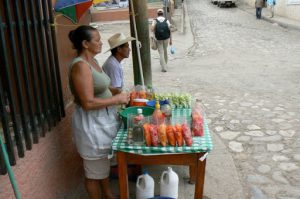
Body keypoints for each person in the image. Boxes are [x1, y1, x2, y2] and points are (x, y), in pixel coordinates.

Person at [68, 25, 130, 199]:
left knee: (102, 164)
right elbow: (87, 102)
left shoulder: (93, 61)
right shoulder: (80, 66)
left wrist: (115, 91)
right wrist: (116, 99)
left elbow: (101, 84)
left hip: (102, 120)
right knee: (93, 171)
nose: (101, 43)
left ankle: (108, 194)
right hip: (91, 124)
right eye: (97, 40)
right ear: (85, 43)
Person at [151, 8, 172, 73]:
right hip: (166, 38)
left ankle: (164, 67)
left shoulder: (155, 21)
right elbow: (170, 30)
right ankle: (165, 63)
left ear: (157, 14)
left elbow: (151, 29)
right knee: (165, 50)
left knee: (161, 52)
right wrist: (171, 40)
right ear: (163, 14)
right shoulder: (166, 20)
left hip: (158, 39)